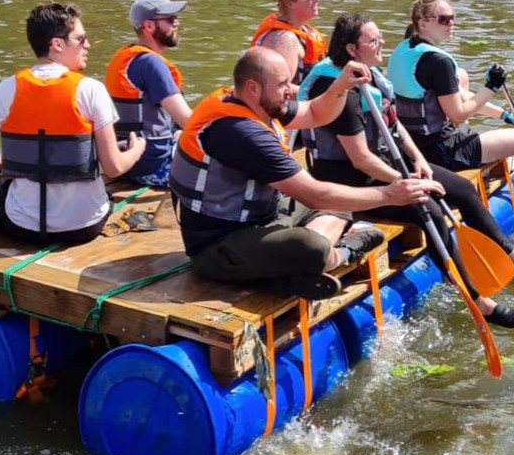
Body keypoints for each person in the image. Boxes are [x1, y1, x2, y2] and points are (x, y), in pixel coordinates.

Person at [298, 14, 514, 327]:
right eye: (374, 40)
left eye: (380, 36)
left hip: (385, 162)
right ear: (352, 49)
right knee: (432, 211)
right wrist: (405, 182)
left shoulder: (368, 73)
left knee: (462, 190)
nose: (382, 42)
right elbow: (359, 160)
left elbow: (393, 124)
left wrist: (418, 160)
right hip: (349, 178)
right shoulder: (340, 89)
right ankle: (479, 301)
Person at [169, 46, 447, 300]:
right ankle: (343, 251)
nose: (291, 89)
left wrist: (339, 87)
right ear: (252, 87)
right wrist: (389, 194)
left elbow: (315, 112)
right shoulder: (240, 132)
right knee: (311, 246)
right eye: (281, 84)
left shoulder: (253, 102)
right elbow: (313, 195)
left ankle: (291, 267)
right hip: (217, 244)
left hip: (260, 217)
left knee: (339, 201)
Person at [0, 2, 146, 244]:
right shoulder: (91, 90)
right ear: (57, 44)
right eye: (81, 38)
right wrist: (137, 150)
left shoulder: (6, 89)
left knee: (5, 183)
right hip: (85, 227)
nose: (87, 45)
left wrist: (5, 163)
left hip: (22, 227)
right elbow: (114, 168)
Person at [387, 0, 514, 171]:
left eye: (452, 18)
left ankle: (473, 144)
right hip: (439, 150)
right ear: (422, 24)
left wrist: (505, 115)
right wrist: (491, 87)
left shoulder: (405, 47)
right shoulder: (439, 62)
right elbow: (458, 115)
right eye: (443, 19)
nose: (450, 23)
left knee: (461, 76)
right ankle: (468, 160)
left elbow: (460, 96)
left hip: (407, 141)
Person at [104, 0, 192, 187]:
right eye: (170, 19)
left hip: (130, 162)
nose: (176, 23)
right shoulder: (151, 63)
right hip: (154, 166)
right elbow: (189, 121)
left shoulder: (126, 58)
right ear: (149, 26)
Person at [250, 0, 327, 96]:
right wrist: (326, 96)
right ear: (290, 3)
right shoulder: (284, 39)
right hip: (289, 110)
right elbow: (279, 88)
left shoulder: (305, 31)